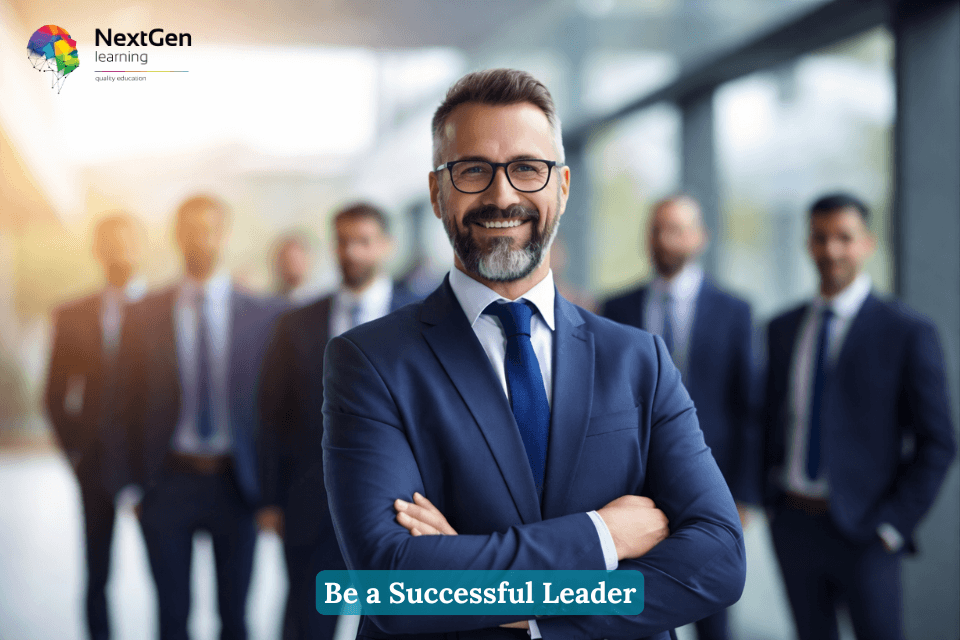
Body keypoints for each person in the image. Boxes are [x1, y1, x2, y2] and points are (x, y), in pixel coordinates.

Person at [321, 68, 745, 639]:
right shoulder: (369, 362)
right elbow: (394, 586)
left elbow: (718, 560)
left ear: (563, 187)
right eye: (472, 170)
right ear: (436, 192)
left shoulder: (638, 358)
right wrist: (604, 538)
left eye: (527, 168)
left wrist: (512, 603)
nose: (502, 195)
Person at [761, 193, 956, 640]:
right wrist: (770, 502)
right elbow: (771, 419)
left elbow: (939, 442)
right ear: (807, 244)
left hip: (866, 532)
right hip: (793, 523)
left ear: (867, 243)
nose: (831, 250)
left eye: (844, 238)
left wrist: (891, 527)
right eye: (820, 237)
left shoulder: (906, 331)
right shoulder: (782, 328)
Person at [113, 195, 286, 640]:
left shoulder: (266, 314)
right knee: (171, 617)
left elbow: (279, 409)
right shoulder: (143, 313)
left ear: (224, 235)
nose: (199, 238)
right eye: (189, 229)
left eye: (209, 228)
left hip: (237, 484)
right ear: (176, 236)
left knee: (236, 617)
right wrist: (131, 483)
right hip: (167, 482)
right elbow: (123, 402)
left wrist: (274, 491)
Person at [258, 202, 418, 640]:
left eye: (364, 242)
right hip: (311, 505)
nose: (353, 253)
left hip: (402, 511)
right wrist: (271, 500)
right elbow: (273, 415)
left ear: (386, 246)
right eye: (344, 242)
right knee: (306, 624)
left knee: (398, 626)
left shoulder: (425, 319)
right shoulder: (296, 324)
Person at [600, 196, 755, 640]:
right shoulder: (618, 307)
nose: (666, 239)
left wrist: (742, 493)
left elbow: (749, 407)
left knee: (713, 605)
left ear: (700, 237)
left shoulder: (734, 310)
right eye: (657, 229)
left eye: (677, 229)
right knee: (637, 602)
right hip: (634, 488)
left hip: (711, 479)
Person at [45, 213, 145, 640]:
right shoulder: (71, 314)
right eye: (110, 243)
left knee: (168, 571)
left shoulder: (166, 308)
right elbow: (53, 392)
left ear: (141, 247)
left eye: (127, 241)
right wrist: (75, 449)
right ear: (97, 250)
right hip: (95, 458)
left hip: (153, 458)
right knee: (97, 569)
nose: (119, 251)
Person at [272, 233, 316, 304]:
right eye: (285, 261)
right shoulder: (276, 298)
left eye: (294, 260)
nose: (289, 267)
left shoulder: (317, 294)